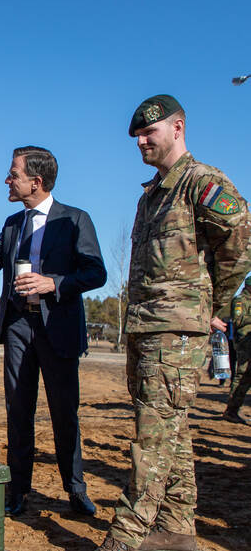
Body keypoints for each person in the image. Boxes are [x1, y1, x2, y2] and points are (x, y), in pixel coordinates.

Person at [97, 95, 251, 551]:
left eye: (150, 132)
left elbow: (240, 246)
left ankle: (126, 534)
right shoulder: (152, 194)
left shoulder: (201, 182)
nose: (142, 142)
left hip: (177, 331)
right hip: (147, 327)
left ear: (178, 128)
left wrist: (213, 306)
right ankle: (177, 527)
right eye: (137, 137)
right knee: (172, 429)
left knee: (153, 435)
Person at [0, 146, 106, 517]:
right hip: (19, 327)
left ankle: (75, 489)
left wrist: (53, 283)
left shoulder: (75, 219)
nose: (7, 180)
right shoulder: (11, 224)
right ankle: (18, 490)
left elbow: (96, 273)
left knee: (63, 414)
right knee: (18, 412)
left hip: (60, 329)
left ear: (36, 182)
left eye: (13, 174)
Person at [224, 275, 251, 424]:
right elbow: (238, 320)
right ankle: (231, 410)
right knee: (242, 375)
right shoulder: (240, 300)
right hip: (245, 342)